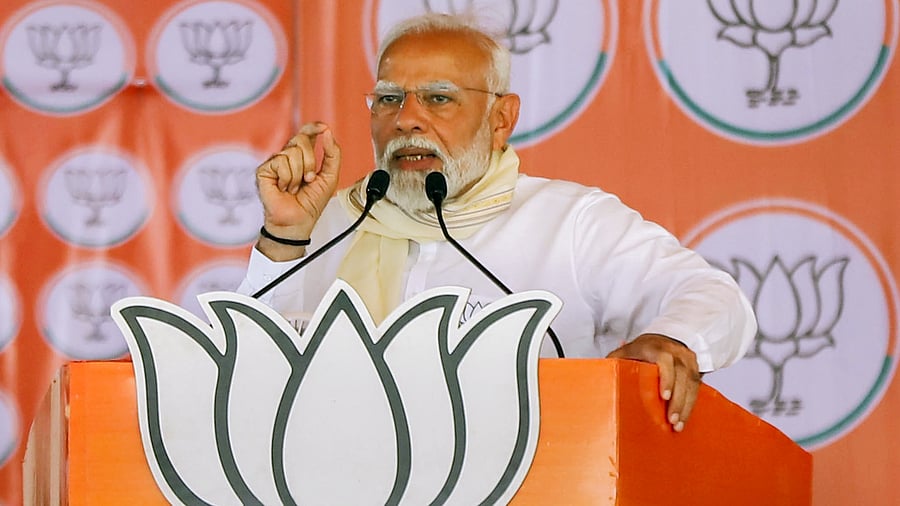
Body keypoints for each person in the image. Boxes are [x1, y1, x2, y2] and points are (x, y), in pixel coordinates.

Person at [239, 12, 756, 433]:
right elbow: (250, 373)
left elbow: (709, 293)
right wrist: (284, 236)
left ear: (501, 119)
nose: (406, 119)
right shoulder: (330, 222)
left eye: (439, 98)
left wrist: (673, 340)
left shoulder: (569, 223)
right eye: (390, 98)